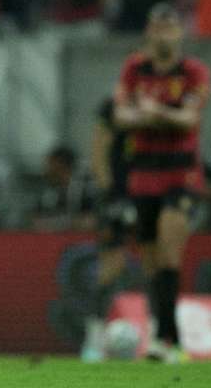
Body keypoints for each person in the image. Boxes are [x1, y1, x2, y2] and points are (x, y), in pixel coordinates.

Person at [113, 4, 210, 363]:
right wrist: (155, 115)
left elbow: (188, 120)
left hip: (180, 174)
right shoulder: (134, 69)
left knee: (170, 253)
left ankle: (170, 340)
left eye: (170, 27)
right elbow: (120, 115)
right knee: (151, 261)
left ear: (180, 33)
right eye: (158, 27)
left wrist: (154, 112)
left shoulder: (193, 71)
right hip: (142, 174)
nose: (164, 34)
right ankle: (164, 338)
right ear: (149, 32)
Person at [80, 97, 138, 362]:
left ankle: (157, 337)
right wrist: (110, 196)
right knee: (110, 268)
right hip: (115, 199)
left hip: (142, 195)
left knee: (147, 266)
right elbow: (98, 155)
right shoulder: (112, 109)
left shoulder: (150, 106)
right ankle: (93, 339)